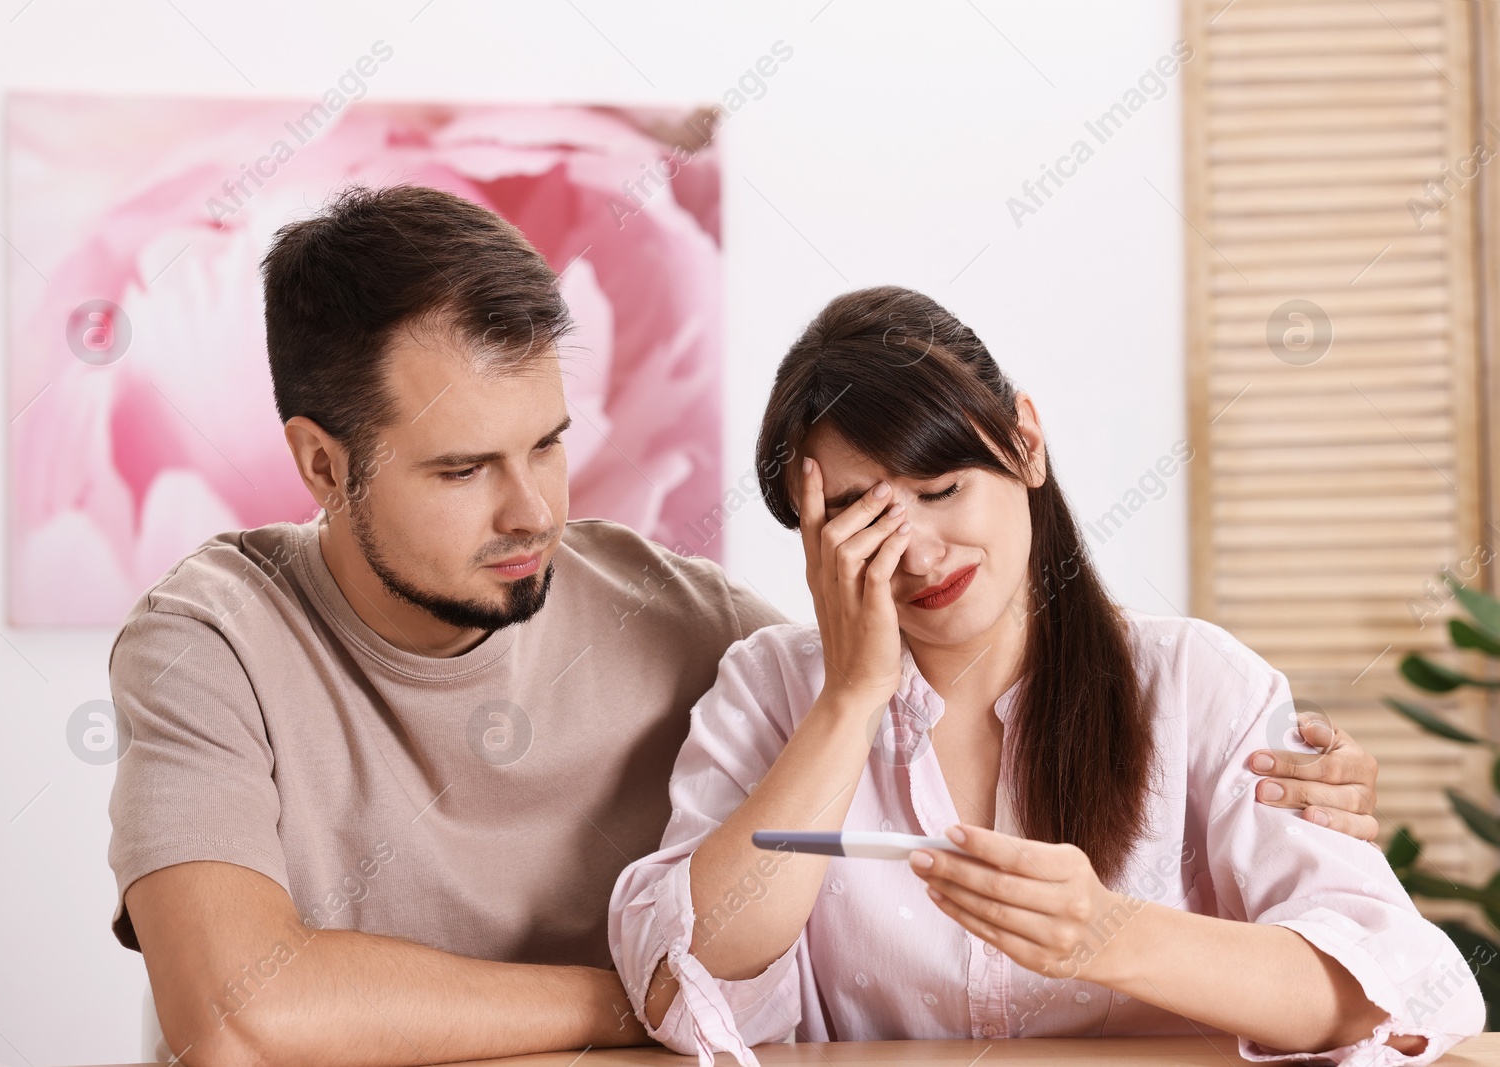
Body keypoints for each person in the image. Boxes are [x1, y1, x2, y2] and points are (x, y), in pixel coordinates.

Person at [107, 186, 1386, 1067]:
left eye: (550, 444)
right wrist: (659, 996)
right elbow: (237, 1012)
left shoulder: (690, 622)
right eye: (461, 471)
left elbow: (892, 686)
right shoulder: (211, 638)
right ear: (323, 466)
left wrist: (1300, 778)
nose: (531, 509)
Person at [608, 286, 1482, 1067]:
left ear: (1025, 443)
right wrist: (850, 698)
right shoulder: (768, 691)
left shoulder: (1197, 683)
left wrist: (1106, 933)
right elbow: (682, 981)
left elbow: (1384, 986)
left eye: (943, 488)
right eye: (857, 516)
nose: (916, 551)